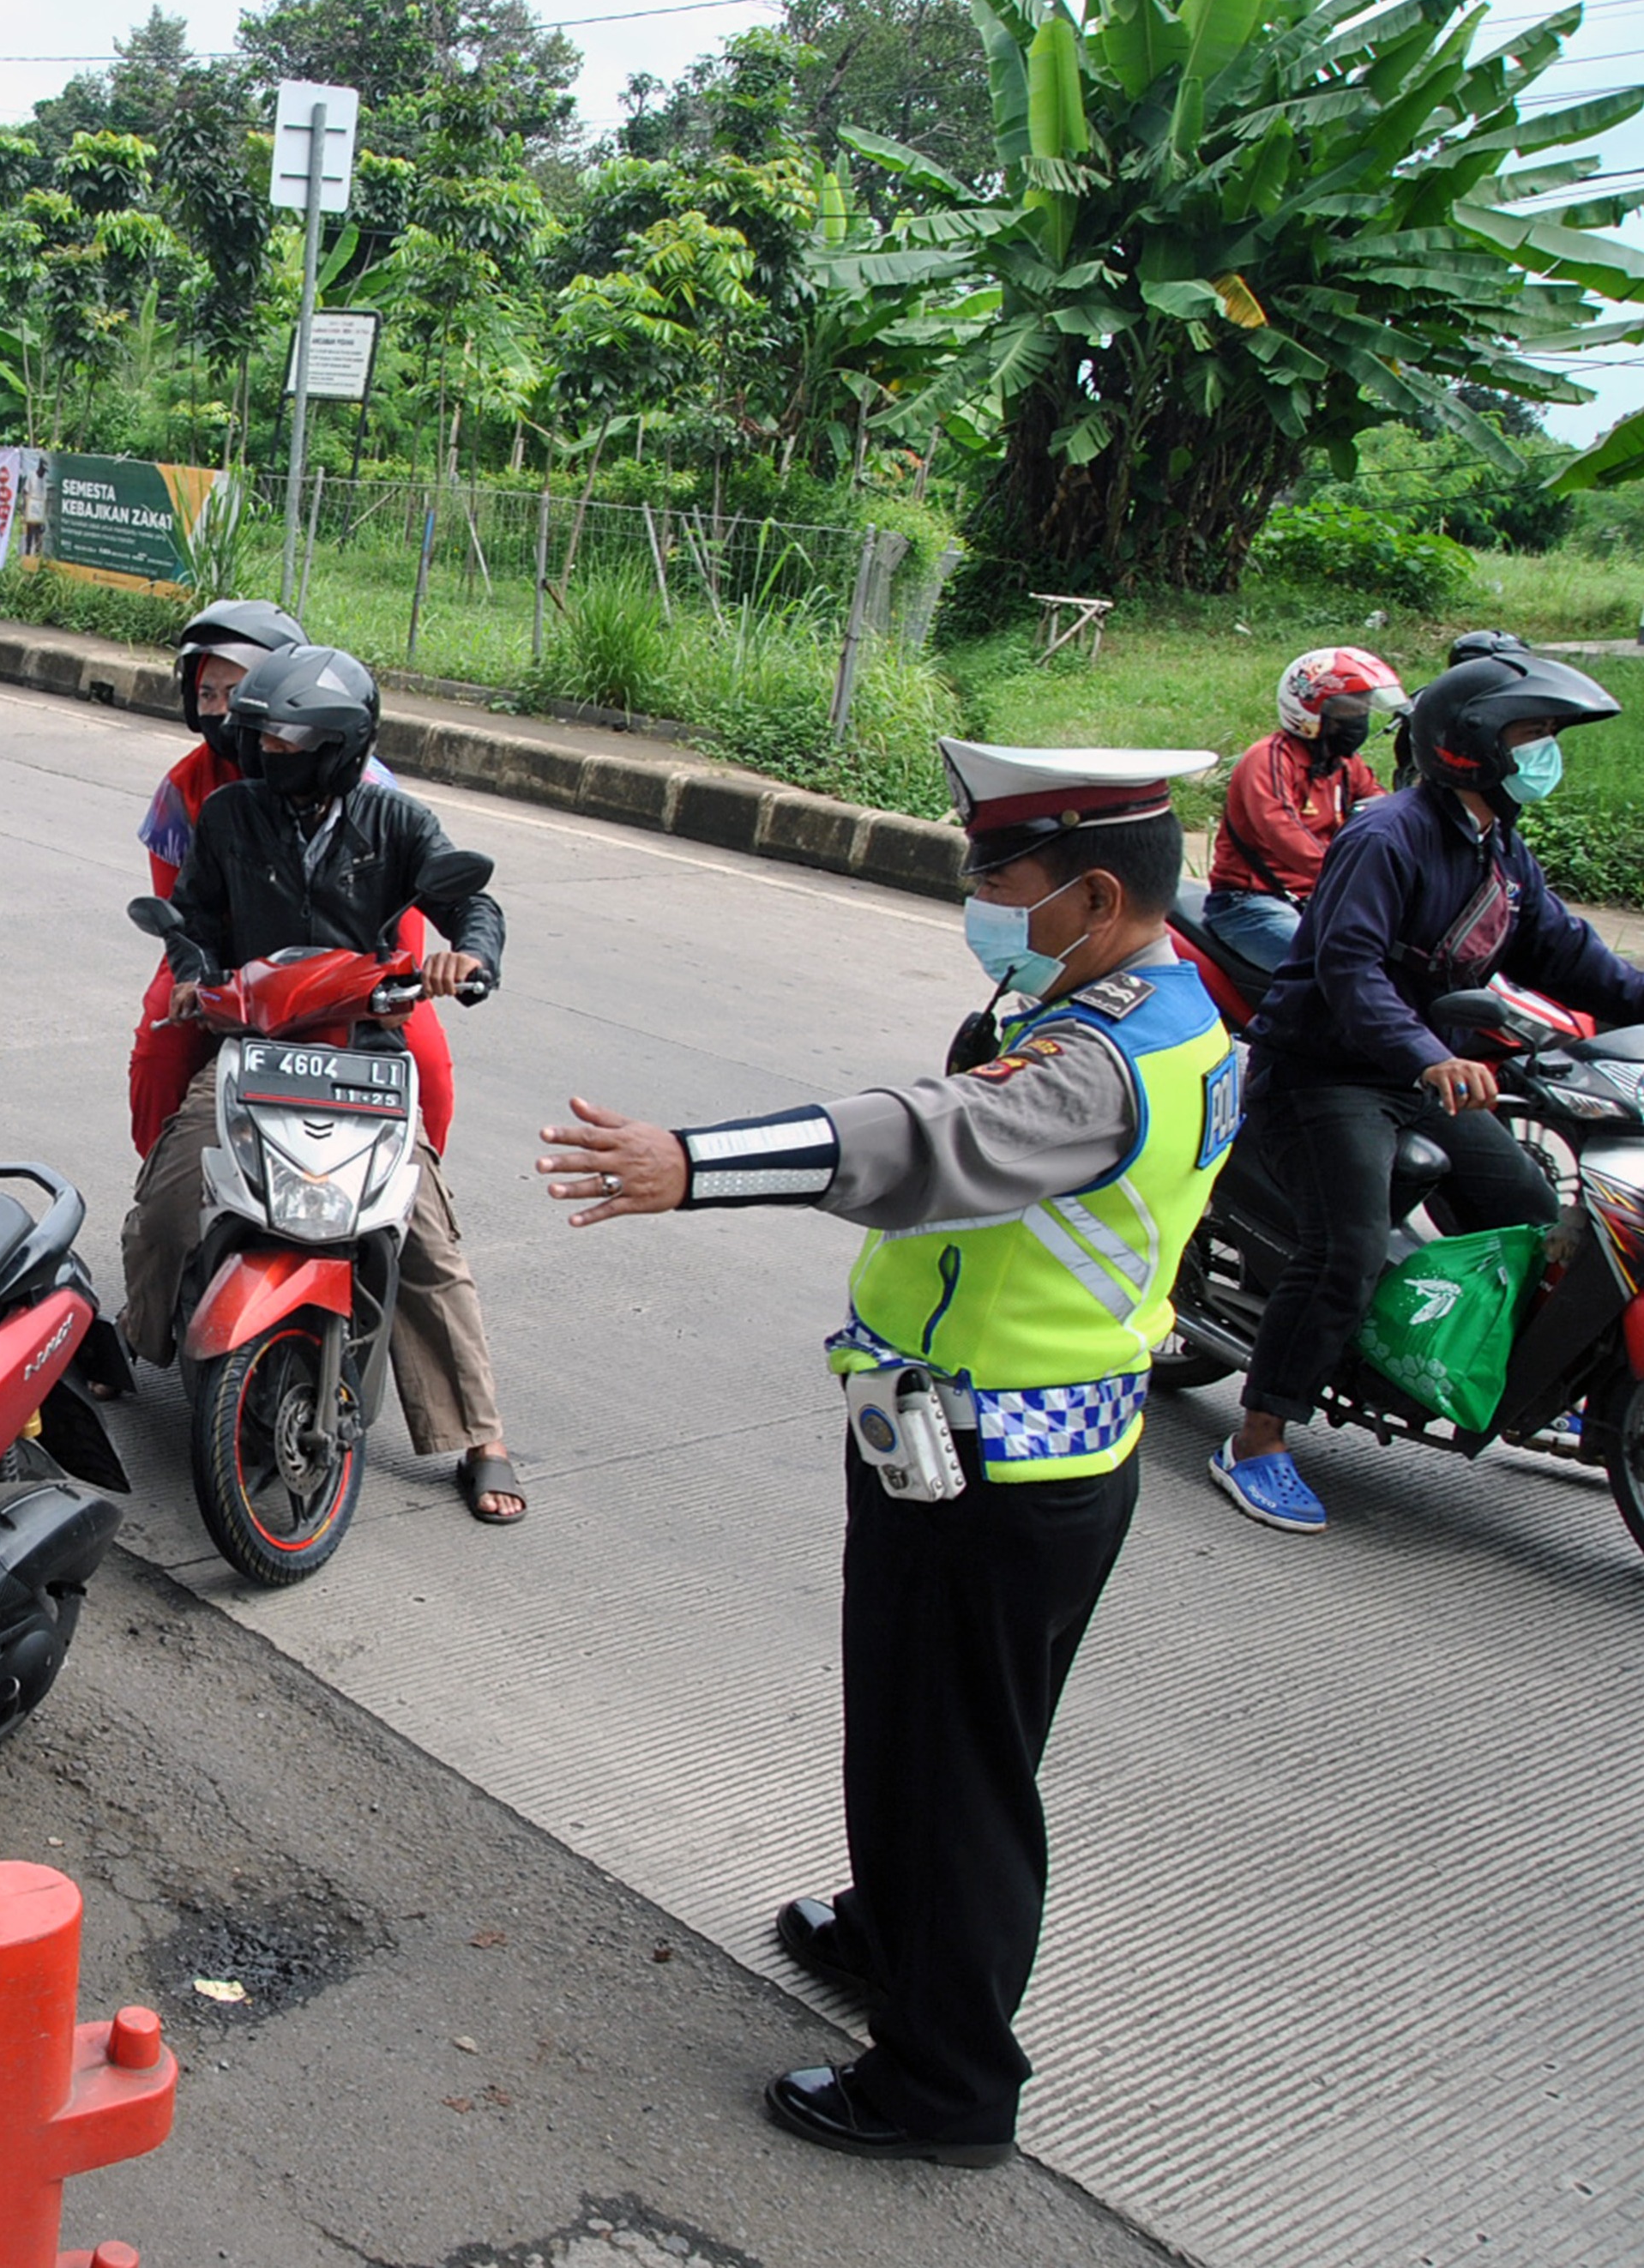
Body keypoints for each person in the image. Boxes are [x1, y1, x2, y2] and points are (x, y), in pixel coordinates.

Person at [536, 737, 1233, 2168]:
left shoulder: (1095, 1068)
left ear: (1094, 896)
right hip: (978, 1449)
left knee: (958, 1773)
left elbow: (925, 1138)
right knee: (917, 1737)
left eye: (1000, 875)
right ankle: (888, 1937)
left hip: (1000, 1472)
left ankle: (946, 2081)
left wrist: (690, 1162)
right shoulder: (1154, 998)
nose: (978, 895)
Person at [1211, 650, 1644, 1533]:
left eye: (1548, 736)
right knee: (1347, 1244)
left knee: (1527, 1207)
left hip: (1412, 1073)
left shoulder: (1498, 846)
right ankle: (1256, 1435)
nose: (1543, 751)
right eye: (1532, 733)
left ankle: (1473, 1367)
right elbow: (1347, 967)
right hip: (1326, 1072)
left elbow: (1572, 959)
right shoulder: (1388, 835)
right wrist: (1423, 1056)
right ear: (1471, 743)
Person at [123, 642, 522, 1518]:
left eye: (289, 739)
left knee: (422, 1236)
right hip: (254, 1046)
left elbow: (471, 906)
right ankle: (140, 1336)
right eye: (262, 734)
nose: (268, 749)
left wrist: (470, 958)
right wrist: (191, 968)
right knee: (167, 1191)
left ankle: (480, 1432)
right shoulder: (228, 815)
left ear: (341, 743)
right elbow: (187, 915)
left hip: (363, 1050)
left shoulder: (398, 822)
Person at [128, 600, 462, 1172]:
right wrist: (204, 972)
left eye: (237, 692)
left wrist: (406, 978)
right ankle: (166, 1172)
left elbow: (407, 919)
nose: (223, 710)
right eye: (208, 695)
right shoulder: (190, 791)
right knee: (162, 1044)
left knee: (426, 1062)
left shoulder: (370, 795)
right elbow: (183, 910)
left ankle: (407, 1178)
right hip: (234, 965)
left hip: (358, 964)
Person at [1204, 648, 1400, 969]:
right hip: (1249, 903)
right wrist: (1350, 875)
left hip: (1317, 900)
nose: (1360, 718)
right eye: (1350, 709)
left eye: (1364, 707)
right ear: (1311, 709)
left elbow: (1383, 812)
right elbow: (1282, 831)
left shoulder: (1345, 764)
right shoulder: (1270, 759)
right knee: (1337, 968)